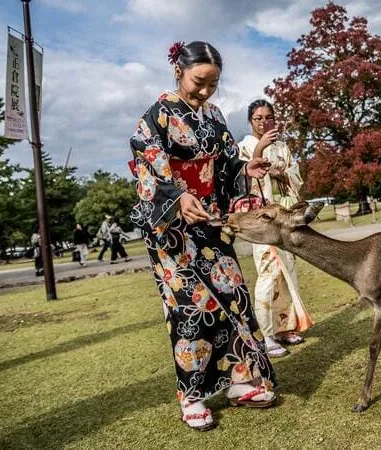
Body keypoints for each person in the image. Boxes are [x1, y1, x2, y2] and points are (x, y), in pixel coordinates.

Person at [129, 40, 276, 431]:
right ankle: (191, 397)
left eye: (213, 84)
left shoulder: (213, 114)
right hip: (172, 228)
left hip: (209, 218)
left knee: (233, 293)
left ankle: (240, 379)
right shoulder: (156, 115)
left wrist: (248, 169)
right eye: (199, 82)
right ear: (179, 71)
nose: (206, 91)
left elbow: (227, 163)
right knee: (189, 308)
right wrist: (177, 195)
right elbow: (147, 167)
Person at [237, 99, 313, 358]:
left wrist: (281, 172)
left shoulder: (283, 147)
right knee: (268, 271)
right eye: (258, 118)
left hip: (286, 216)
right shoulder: (245, 146)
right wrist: (260, 150)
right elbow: (245, 178)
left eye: (268, 117)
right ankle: (265, 334)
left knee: (288, 270)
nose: (264, 122)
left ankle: (284, 327)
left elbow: (295, 176)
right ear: (251, 121)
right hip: (264, 219)